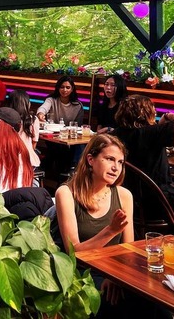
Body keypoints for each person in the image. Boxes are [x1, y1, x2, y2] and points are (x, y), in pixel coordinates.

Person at [55, 134, 147, 318]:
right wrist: (110, 230)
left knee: (153, 303)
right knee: (123, 306)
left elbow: (129, 250)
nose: (116, 168)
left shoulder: (124, 195)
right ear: (90, 159)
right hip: (82, 275)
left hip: (116, 273)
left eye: (120, 162)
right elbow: (74, 254)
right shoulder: (65, 193)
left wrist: (117, 277)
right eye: (109, 159)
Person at [113, 95, 174, 218]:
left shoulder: (116, 134)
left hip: (127, 197)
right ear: (145, 113)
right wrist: (167, 116)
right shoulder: (151, 133)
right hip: (158, 200)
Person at [7, 90, 41, 168]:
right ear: (27, 104)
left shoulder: (5, 117)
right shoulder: (33, 119)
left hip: (8, 156)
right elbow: (34, 142)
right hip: (27, 159)